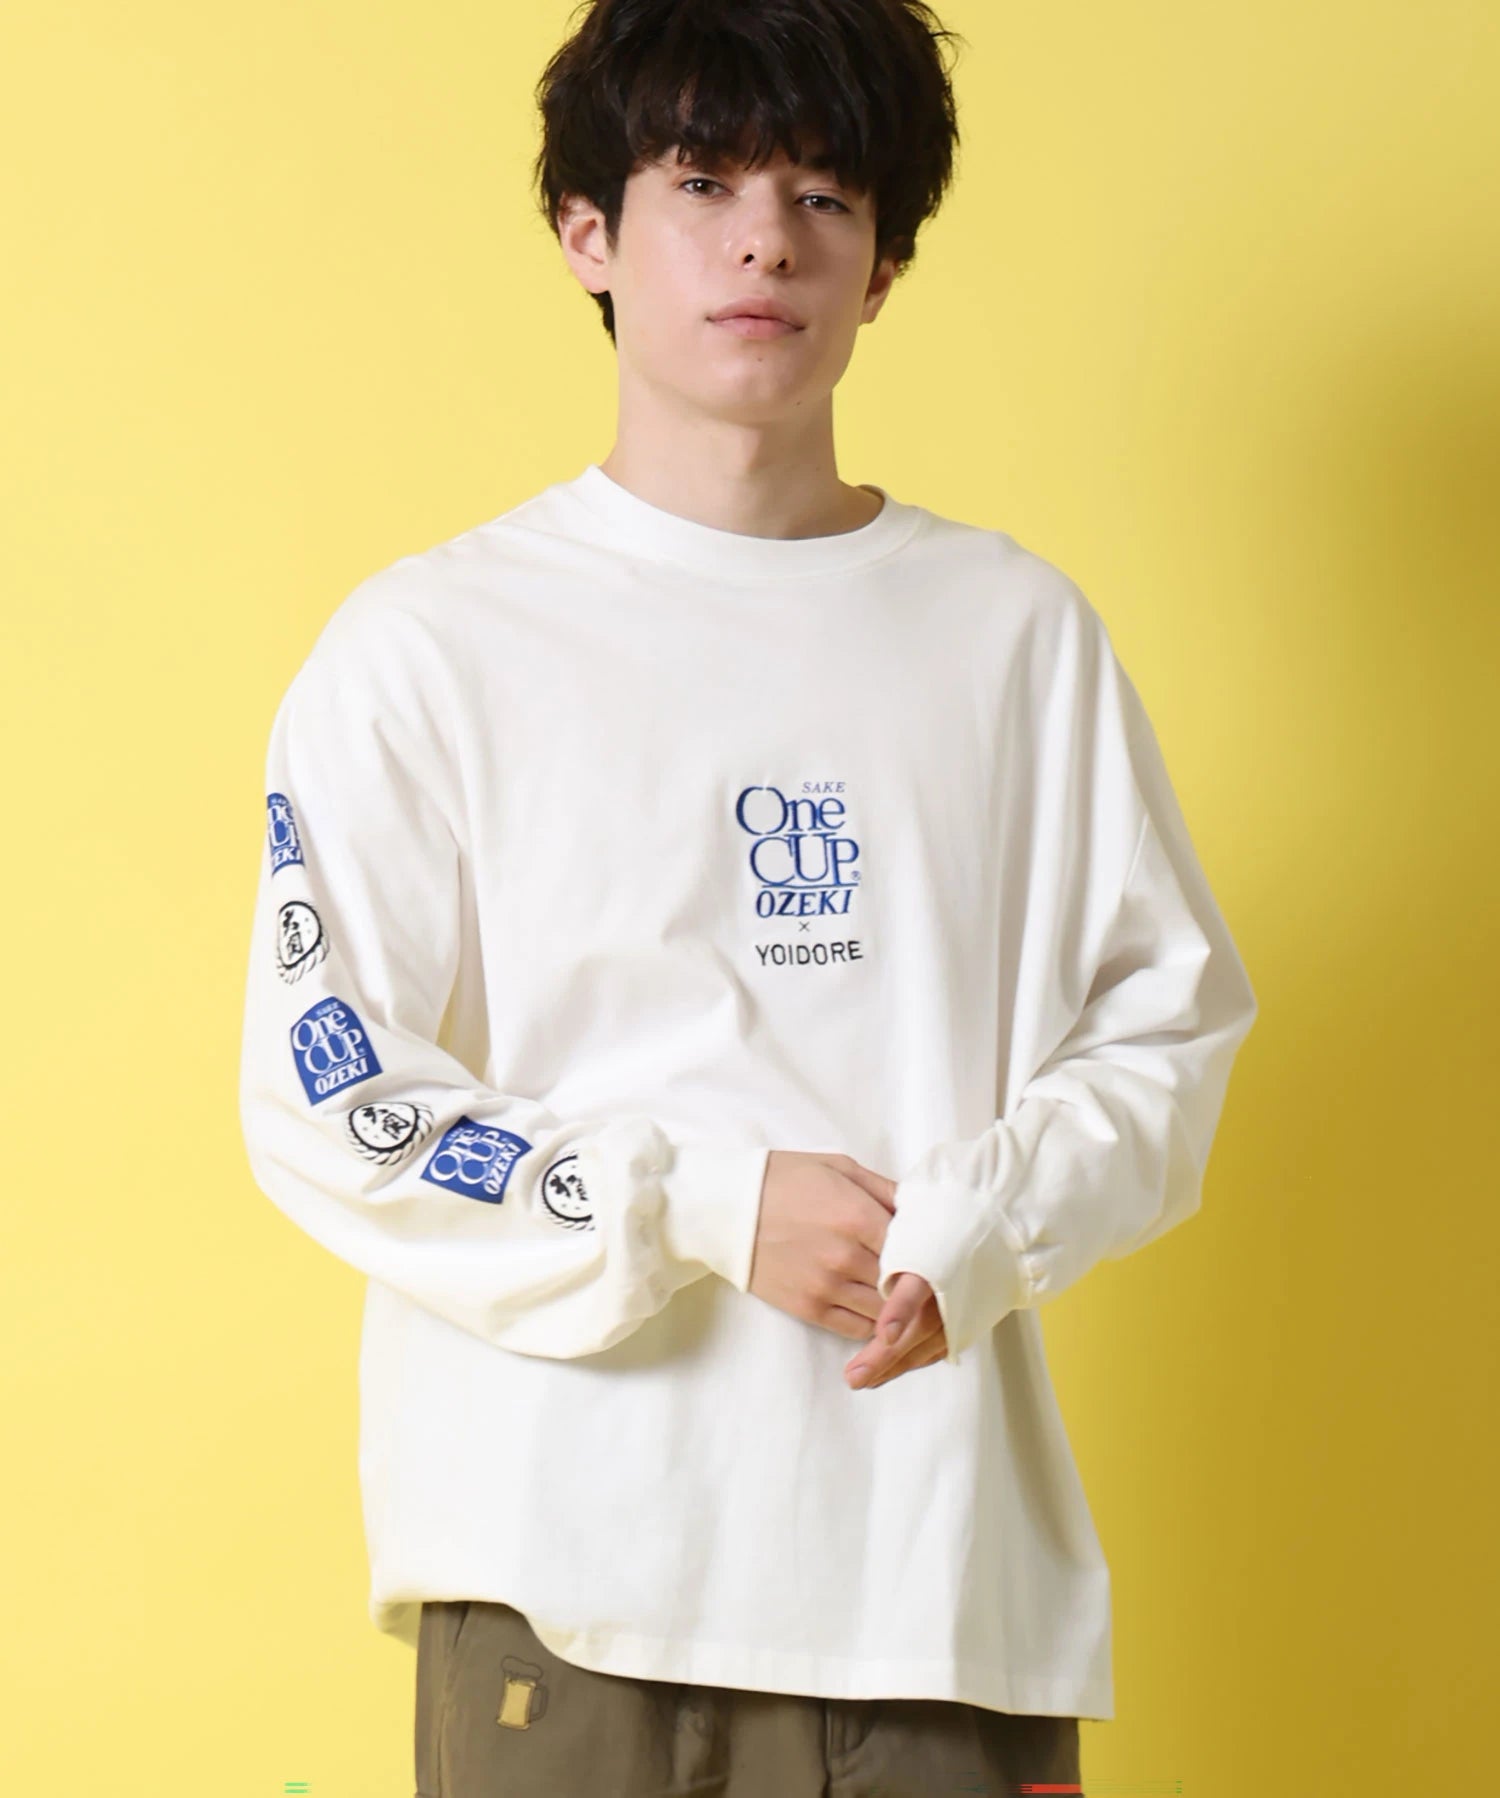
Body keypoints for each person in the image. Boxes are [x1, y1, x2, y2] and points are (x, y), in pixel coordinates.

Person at [237, 1, 1259, 1793]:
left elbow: (1168, 1028)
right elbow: (331, 1097)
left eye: (823, 195)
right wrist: (712, 1205)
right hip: (566, 1595)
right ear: (589, 231)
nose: (766, 240)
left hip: (939, 1597)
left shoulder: (1015, 641)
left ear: (884, 265)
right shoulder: (429, 649)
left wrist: (990, 1220)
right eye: (702, 182)